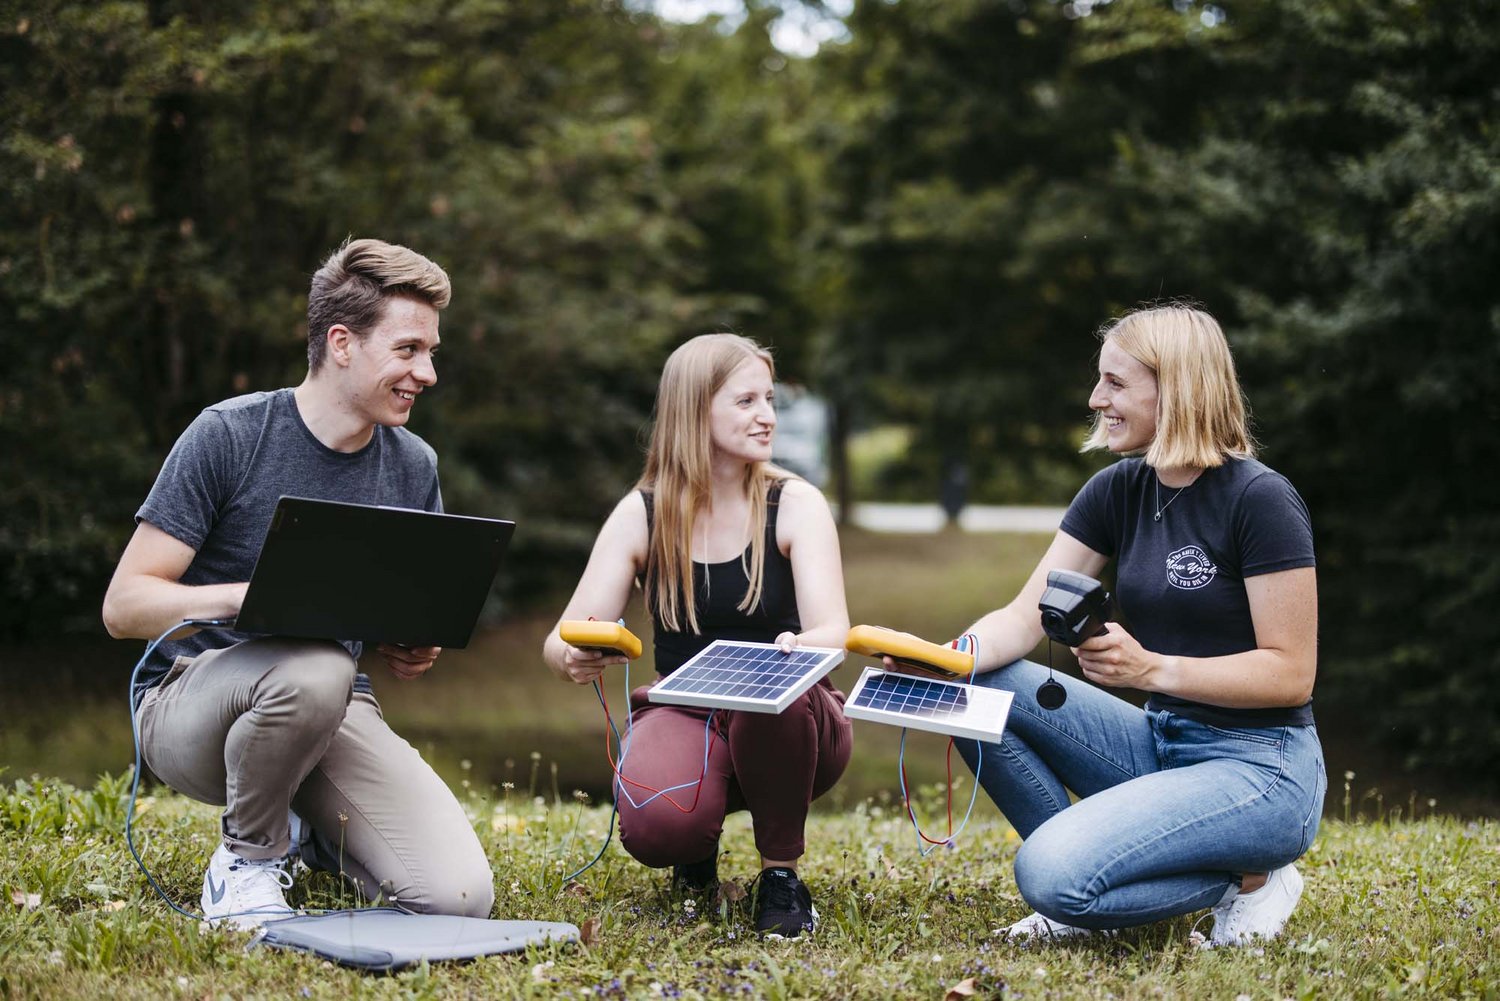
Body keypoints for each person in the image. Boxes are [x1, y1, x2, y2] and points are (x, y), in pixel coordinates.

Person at [102, 238, 494, 929]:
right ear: (341, 342)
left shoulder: (412, 464)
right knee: (314, 666)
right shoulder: (229, 434)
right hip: (190, 702)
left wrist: (410, 640)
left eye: (432, 352)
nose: (427, 372)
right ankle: (247, 862)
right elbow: (124, 606)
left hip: (331, 707)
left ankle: (308, 833)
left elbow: (395, 608)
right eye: (408, 350)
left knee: (457, 897)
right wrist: (241, 595)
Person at [949, 304, 1325, 948]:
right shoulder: (1117, 490)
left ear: (1176, 388)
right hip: (1161, 744)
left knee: (1050, 875)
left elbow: (1291, 674)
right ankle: (1086, 883)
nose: (1097, 398)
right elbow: (1020, 614)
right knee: (977, 690)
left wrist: (1152, 669)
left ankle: (1251, 880)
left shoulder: (1260, 500)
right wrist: (945, 659)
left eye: (1116, 383)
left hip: (1262, 768)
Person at [542, 333, 851, 939]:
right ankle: (694, 853)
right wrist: (576, 654)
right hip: (685, 712)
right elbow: (560, 640)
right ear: (694, 409)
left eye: (769, 400)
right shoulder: (643, 513)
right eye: (746, 402)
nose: (766, 416)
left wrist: (798, 651)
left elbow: (833, 630)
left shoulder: (794, 503)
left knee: (769, 695)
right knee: (659, 826)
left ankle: (781, 877)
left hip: (794, 721)